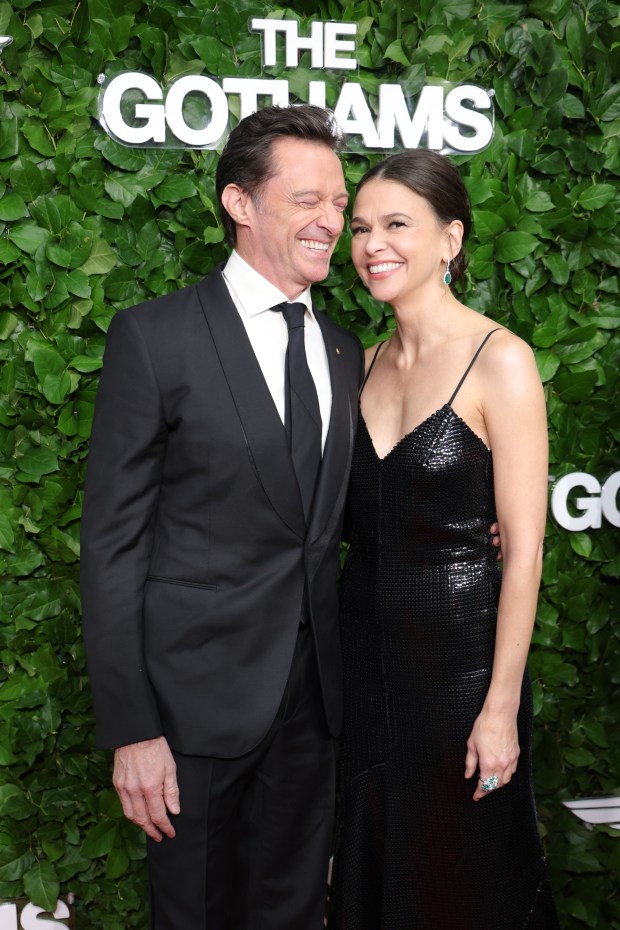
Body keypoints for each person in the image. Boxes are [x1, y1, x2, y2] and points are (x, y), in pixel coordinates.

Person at [80, 104, 365, 929]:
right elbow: (112, 547)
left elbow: (334, 515)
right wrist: (132, 729)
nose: (331, 221)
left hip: (312, 708)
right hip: (190, 711)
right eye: (308, 199)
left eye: (339, 202)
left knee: (290, 915)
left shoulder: (344, 349)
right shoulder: (156, 338)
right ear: (241, 204)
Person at [328, 150, 560, 929]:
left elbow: (524, 553)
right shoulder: (354, 368)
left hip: (463, 676)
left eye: (397, 224)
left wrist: (499, 709)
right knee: (376, 877)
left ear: (450, 240)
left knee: (466, 883)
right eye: (361, 228)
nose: (372, 245)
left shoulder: (503, 362)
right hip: (365, 674)